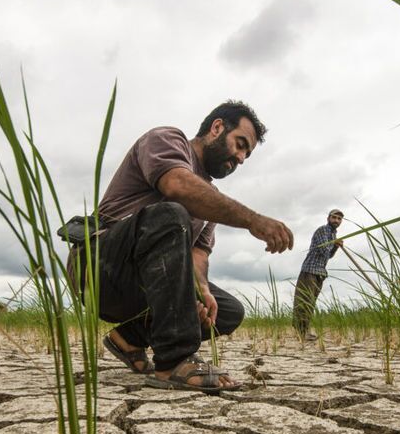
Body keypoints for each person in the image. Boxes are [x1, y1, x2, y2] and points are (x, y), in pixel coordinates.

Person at [87, 101, 294, 393]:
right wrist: (252, 220)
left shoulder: (210, 198)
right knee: (171, 213)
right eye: (240, 144)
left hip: (147, 283)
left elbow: (197, 256)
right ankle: (173, 361)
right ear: (217, 127)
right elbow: (177, 185)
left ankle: (129, 339)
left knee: (228, 311)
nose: (241, 158)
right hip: (100, 268)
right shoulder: (167, 139)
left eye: (247, 153)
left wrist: (200, 294)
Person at [292, 209, 344, 340]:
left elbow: (329, 255)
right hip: (310, 271)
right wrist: (334, 243)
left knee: (311, 303)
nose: (336, 220)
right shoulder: (323, 230)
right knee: (304, 301)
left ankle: (304, 330)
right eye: (334, 217)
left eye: (339, 219)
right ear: (328, 218)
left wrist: (336, 246)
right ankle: (302, 332)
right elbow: (323, 250)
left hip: (320, 272)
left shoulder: (332, 234)